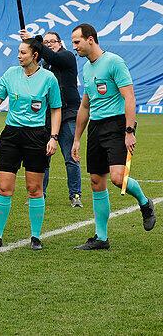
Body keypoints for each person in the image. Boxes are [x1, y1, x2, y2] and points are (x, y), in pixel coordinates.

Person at [70, 24, 155, 250]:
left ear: (90, 39)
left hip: (117, 125)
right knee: (97, 182)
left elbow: (129, 97)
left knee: (118, 178)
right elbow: (85, 106)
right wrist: (77, 138)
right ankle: (101, 237)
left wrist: (129, 131)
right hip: (96, 127)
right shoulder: (86, 69)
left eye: (77, 41)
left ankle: (145, 203)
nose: (74, 46)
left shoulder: (114, 62)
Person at [0, 39, 62, 251]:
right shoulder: (11, 74)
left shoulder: (49, 78)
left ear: (35, 55)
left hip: (36, 136)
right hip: (11, 136)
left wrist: (54, 137)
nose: (19, 55)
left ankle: (35, 237)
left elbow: (56, 109)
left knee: (34, 189)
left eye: (23, 52)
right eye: (18, 52)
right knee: (4, 188)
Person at [20, 29, 83, 207]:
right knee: (43, 158)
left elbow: (53, 58)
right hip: (47, 116)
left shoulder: (67, 56)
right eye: (45, 42)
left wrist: (34, 41)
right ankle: (40, 194)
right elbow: (32, 60)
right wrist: (30, 47)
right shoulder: (44, 65)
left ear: (60, 42)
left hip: (68, 114)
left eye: (52, 42)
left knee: (71, 157)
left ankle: (75, 195)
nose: (48, 45)